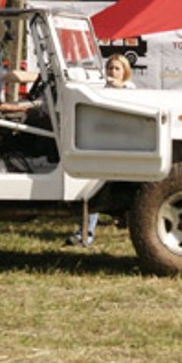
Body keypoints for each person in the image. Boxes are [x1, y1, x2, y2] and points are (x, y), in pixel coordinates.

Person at [70, 52, 135, 246]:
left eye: (117, 69)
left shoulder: (131, 90)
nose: (112, 72)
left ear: (125, 72)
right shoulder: (98, 91)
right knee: (92, 188)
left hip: (126, 149)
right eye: (110, 68)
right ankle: (85, 233)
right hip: (104, 146)